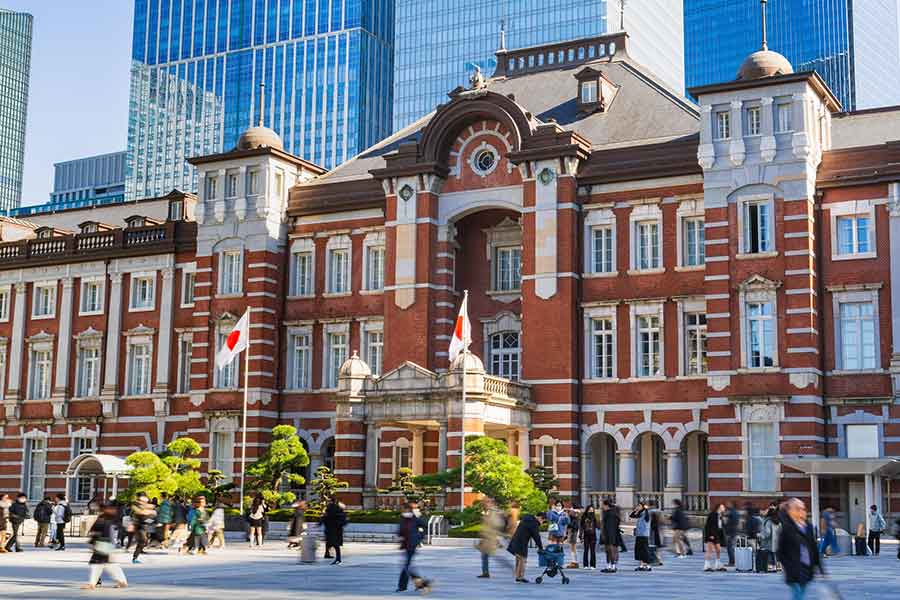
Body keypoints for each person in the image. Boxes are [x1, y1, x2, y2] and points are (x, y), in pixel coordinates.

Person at [777, 498, 823, 600]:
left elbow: (814, 547)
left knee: (801, 593)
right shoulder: (786, 527)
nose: (802, 511)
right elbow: (780, 551)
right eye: (798, 509)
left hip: (806, 568)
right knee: (797, 593)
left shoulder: (808, 527)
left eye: (803, 509)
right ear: (790, 511)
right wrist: (788, 567)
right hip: (793, 568)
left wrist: (819, 567)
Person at [82, 502, 128, 590]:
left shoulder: (104, 518)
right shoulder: (114, 519)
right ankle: (122, 581)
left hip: (102, 543)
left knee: (97, 564)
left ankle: (92, 584)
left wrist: (92, 542)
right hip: (107, 543)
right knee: (108, 564)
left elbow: (96, 532)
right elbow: (119, 532)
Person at [396, 501, 431, 593]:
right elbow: (401, 530)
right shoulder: (403, 518)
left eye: (403, 509)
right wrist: (400, 536)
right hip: (406, 544)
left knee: (406, 566)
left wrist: (419, 537)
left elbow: (425, 526)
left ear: (408, 509)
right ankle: (405, 586)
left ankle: (421, 583)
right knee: (406, 566)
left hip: (412, 544)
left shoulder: (415, 519)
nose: (402, 511)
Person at [507, 510, 542, 583]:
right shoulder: (533, 523)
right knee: (523, 559)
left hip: (515, 540)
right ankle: (520, 577)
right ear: (540, 517)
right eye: (543, 520)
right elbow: (536, 536)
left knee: (518, 558)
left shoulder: (527, 518)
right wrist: (540, 547)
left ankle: (517, 575)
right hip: (522, 542)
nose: (542, 522)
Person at [477, 498, 505, 578]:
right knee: (485, 556)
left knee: (497, 557)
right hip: (487, 537)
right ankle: (485, 572)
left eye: (486, 502)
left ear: (491, 503)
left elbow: (497, 524)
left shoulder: (494, 512)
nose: (485, 504)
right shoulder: (489, 511)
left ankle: (511, 568)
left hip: (490, 537)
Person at [130, 493, 157, 563]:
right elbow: (140, 512)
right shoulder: (135, 505)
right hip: (138, 525)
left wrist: (152, 517)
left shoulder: (146, 506)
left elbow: (150, 516)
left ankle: (135, 556)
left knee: (144, 541)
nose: (144, 502)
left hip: (144, 524)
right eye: (143, 500)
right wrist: (149, 511)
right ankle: (135, 557)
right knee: (142, 540)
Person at [321, 499, 347, 565]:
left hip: (331, 530)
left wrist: (320, 523)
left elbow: (325, 518)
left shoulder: (331, 509)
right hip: (336, 530)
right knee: (334, 544)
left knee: (334, 544)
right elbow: (343, 521)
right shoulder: (338, 510)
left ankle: (337, 558)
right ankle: (333, 556)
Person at [703, 503, 727, 572]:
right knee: (710, 550)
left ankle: (718, 564)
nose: (724, 508)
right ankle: (707, 566)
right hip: (711, 535)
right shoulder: (712, 514)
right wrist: (710, 535)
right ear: (719, 507)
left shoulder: (720, 515)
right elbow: (708, 526)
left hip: (717, 535)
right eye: (723, 507)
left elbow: (721, 526)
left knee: (718, 550)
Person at [629, 503, 652, 572]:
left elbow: (647, 518)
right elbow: (631, 516)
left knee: (645, 550)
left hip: (644, 534)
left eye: (639, 506)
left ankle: (648, 566)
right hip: (639, 534)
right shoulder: (640, 513)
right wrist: (635, 510)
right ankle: (641, 565)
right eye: (637, 505)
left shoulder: (646, 513)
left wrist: (646, 509)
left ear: (643, 507)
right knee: (639, 550)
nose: (637, 507)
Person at [600, 500, 621, 573]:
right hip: (612, 533)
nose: (602, 506)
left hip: (609, 534)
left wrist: (604, 534)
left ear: (606, 505)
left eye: (603, 505)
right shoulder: (614, 513)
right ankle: (609, 566)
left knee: (610, 550)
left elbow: (607, 526)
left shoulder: (610, 514)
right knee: (608, 551)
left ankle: (612, 566)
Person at [580, 504, 599, 569]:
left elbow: (597, 526)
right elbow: (581, 526)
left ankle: (593, 565)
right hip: (586, 535)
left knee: (592, 551)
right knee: (586, 550)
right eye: (590, 510)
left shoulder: (594, 517)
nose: (591, 511)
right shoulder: (584, 517)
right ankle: (585, 565)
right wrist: (580, 535)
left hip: (593, 535)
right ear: (587, 510)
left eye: (592, 510)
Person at [723, 501, 740, 567]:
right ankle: (733, 561)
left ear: (732, 505)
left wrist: (724, 524)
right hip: (733, 532)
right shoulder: (734, 512)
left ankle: (732, 562)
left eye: (729, 504)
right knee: (731, 547)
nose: (727, 504)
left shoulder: (732, 513)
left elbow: (730, 523)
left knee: (730, 548)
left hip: (731, 532)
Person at [566, 504, 580, 568]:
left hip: (573, 531)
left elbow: (570, 523)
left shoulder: (574, 514)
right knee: (573, 547)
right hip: (574, 531)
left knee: (573, 547)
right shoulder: (575, 514)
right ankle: (574, 561)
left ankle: (574, 562)